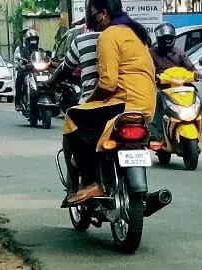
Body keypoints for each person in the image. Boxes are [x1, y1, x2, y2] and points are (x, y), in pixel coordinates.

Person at [62, 0, 156, 206]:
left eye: (92, 14)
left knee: (72, 117)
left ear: (103, 13)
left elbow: (107, 83)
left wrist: (88, 101)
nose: (91, 19)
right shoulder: (137, 35)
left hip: (122, 103)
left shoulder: (109, 36)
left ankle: (91, 182)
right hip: (146, 107)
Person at [148, 23, 198, 139]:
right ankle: (157, 133)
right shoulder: (151, 53)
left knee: (197, 96)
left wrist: (196, 74)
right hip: (161, 88)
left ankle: (195, 123)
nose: (167, 41)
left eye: (169, 38)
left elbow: (191, 68)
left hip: (181, 86)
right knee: (156, 100)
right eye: (164, 39)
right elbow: (146, 69)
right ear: (159, 39)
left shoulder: (179, 53)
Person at [47, 23, 100, 103]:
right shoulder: (124, 35)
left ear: (104, 14)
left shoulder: (82, 40)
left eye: (91, 11)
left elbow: (64, 70)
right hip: (123, 103)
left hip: (92, 102)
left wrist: (50, 82)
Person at [13, 29, 41, 111]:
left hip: (37, 72)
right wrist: (20, 65)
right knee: (19, 81)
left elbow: (44, 58)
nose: (33, 42)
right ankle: (18, 102)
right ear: (27, 41)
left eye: (35, 39)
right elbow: (18, 61)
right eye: (31, 40)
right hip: (25, 71)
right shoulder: (21, 50)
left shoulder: (39, 50)